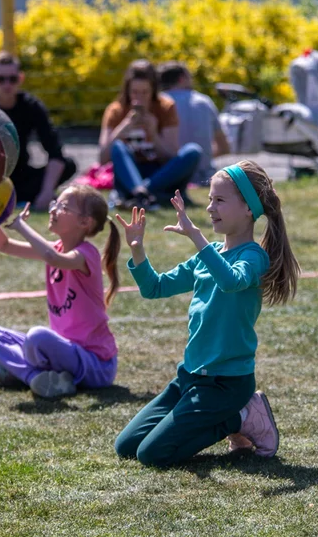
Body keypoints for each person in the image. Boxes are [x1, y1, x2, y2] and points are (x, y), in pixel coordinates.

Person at [113, 160, 299, 467]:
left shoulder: (253, 256)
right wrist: (137, 249)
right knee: (127, 447)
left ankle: (240, 417)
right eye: (210, 199)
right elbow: (154, 288)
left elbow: (231, 281)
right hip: (190, 377)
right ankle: (230, 417)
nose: (211, 207)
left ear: (249, 209)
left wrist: (197, 238)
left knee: (153, 455)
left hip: (226, 384)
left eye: (220, 200)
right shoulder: (206, 256)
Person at [0, 185, 121, 399]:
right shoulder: (54, 249)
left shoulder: (86, 254)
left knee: (37, 337)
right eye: (54, 203)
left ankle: (21, 373)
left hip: (97, 365)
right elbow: (4, 245)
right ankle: (35, 377)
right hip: (64, 353)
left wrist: (21, 226)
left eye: (63, 207)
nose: (53, 210)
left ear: (85, 222)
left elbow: (52, 258)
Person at [0, 51, 77, 209]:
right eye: (1, 79)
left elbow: (55, 153)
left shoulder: (31, 106)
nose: (7, 85)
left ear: (21, 78)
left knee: (69, 164)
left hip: (22, 176)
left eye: (13, 79)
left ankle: (23, 198)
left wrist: (46, 192)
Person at [98, 59, 202, 208]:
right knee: (118, 146)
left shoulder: (165, 107)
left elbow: (172, 156)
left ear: (153, 90)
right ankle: (144, 193)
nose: (139, 98)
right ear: (127, 91)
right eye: (134, 92)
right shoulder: (116, 110)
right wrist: (122, 129)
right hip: (130, 171)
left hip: (159, 172)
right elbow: (102, 158)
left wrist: (153, 134)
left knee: (193, 151)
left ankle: (140, 193)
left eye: (145, 92)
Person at [157, 61, 230, 186]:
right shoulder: (204, 102)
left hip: (171, 176)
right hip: (205, 178)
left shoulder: (158, 104)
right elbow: (224, 147)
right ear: (182, 79)